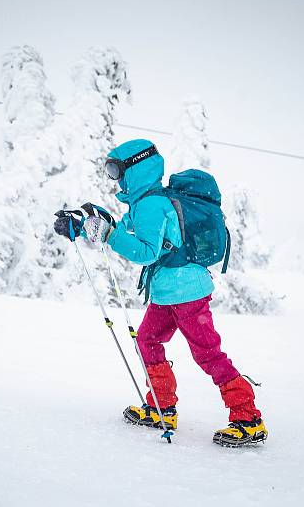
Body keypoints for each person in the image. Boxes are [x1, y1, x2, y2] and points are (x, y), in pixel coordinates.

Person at [55, 139, 267, 447]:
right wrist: (85, 221)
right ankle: (160, 406)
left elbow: (144, 252)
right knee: (148, 340)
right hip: (169, 292)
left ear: (136, 167)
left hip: (187, 292)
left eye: (116, 170)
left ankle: (248, 418)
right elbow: (120, 228)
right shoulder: (147, 202)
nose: (115, 178)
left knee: (207, 354)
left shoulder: (154, 204)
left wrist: (109, 234)